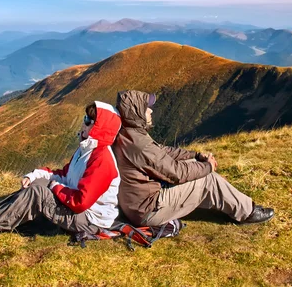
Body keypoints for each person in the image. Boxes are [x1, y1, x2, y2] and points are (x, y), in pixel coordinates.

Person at [0, 101, 122, 239]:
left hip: (91, 220)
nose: (83, 123)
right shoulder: (85, 151)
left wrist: (54, 186)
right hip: (81, 211)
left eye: (88, 120)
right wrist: (34, 175)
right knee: (38, 183)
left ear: (100, 128)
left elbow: (81, 202)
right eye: (85, 117)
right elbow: (64, 175)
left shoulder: (102, 159)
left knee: (39, 193)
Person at [113, 90, 274, 227]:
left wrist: (195, 156)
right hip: (147, 211)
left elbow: (162, 151)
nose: (151, 111)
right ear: (137, 111)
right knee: (207, 179)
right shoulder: (139, 143)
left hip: (135, 204)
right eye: (147, 107)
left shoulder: (128, 134)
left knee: (194, 165)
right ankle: (248, 212)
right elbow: (176, 173)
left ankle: (230, 202)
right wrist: (208, 166)